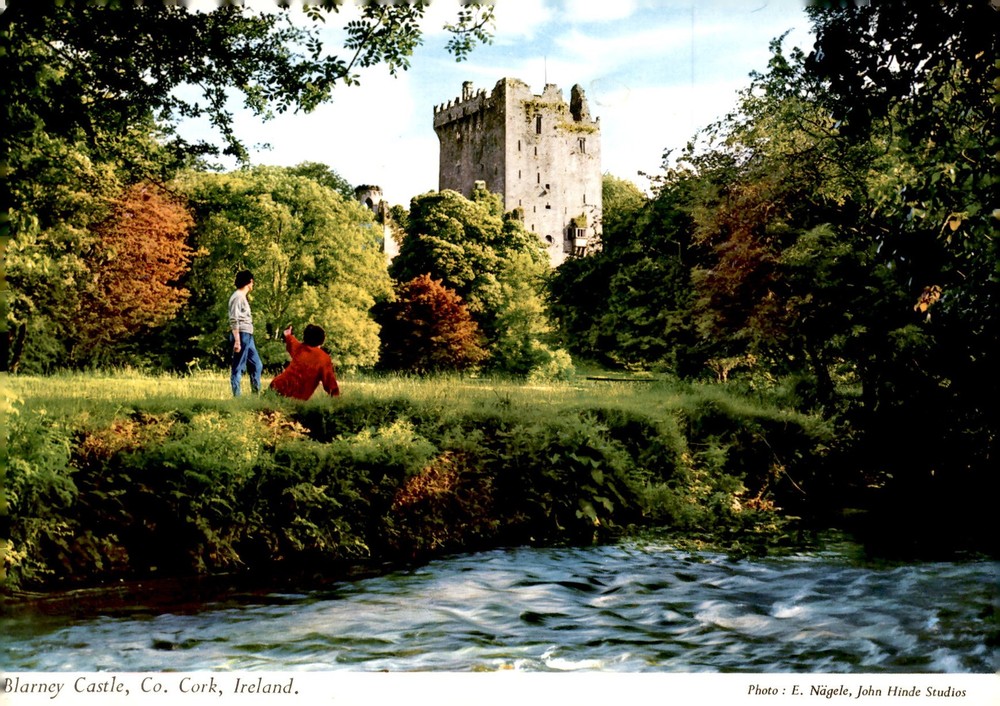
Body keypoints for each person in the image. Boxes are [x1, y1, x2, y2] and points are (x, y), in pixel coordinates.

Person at [269, 324, 340, 400]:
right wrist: (336, 396)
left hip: (277, 385)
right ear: (322, 340)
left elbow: (292, 342)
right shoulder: (323, 358)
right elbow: (330, 382)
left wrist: (288, 334)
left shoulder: (300, 349)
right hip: (295, 397)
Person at [228, 269, 261, 396]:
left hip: (248, 334)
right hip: (241, 334)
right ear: (250, 281)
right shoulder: (237, 297)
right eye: (252, 282)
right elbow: (234, 319)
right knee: (238, 367)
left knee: (257, 365)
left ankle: (255, 394)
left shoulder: (242, 297)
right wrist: (237, 341)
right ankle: (237, 397)